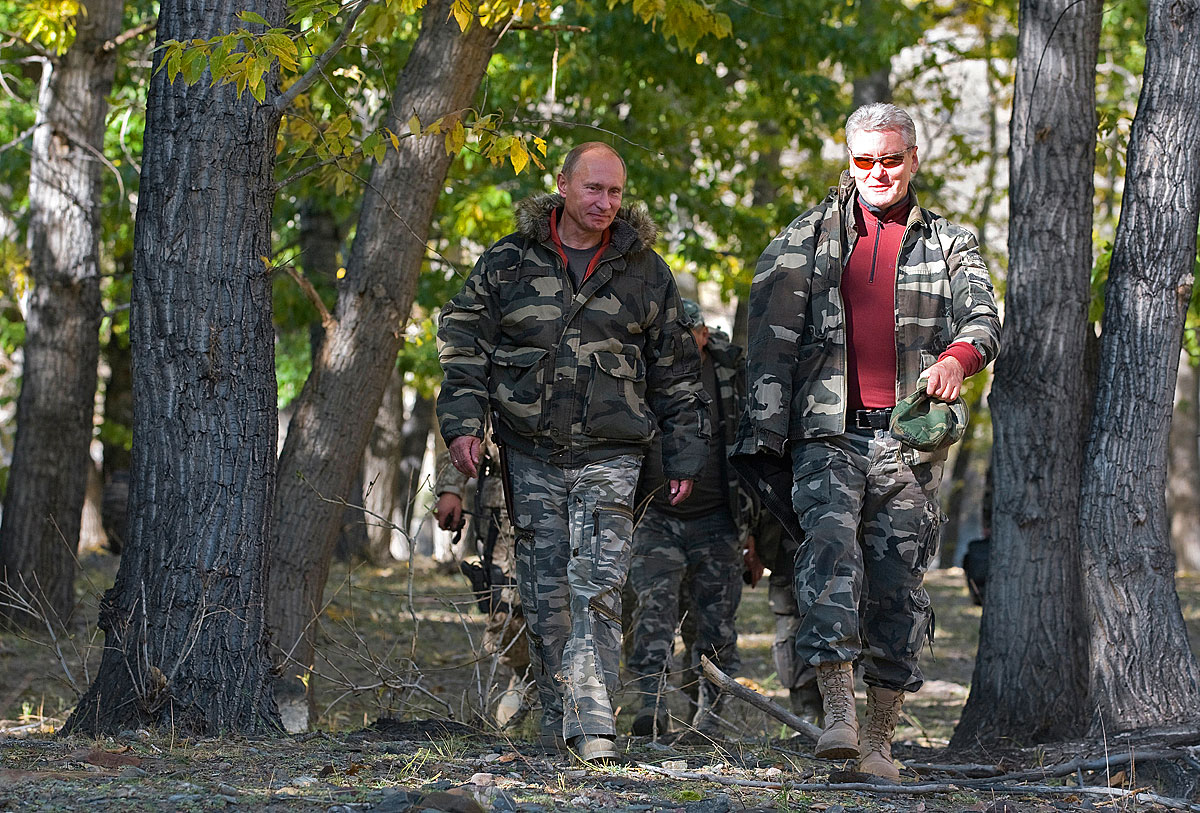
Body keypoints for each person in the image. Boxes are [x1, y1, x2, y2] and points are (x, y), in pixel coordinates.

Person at [732, 103, 1001, 781]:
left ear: (913, 159)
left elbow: (983, 316)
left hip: (911, 440)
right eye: (864, 160)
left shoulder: (948, 242)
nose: (878, 172)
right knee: (827, 555)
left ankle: (882, 736)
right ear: (847, 161)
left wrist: (959, 358)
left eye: (891, 158)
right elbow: (760, 340)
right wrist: (762, 440)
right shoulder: (805, 240)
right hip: (826, 432)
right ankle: (838, 716)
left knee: (897, 586)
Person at [437, 142, 707, 763]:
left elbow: (676, 373)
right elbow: (464, 349)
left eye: (615, 192)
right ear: (563, 186)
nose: (606, 203)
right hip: (529, 452)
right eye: (594, 189)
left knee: (600, 584)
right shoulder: (508, 262)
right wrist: (462, 427)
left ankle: (594, 728)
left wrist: (684, 458)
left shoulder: (644, 270)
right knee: (544, 589)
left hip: (612, 454)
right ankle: (555, 721)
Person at [625, 300, 753, 739]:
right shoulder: (643, 373)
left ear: (703, 335)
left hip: (719, 519)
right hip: (656, 515)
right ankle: (650, 705)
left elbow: (756, 450)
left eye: (688, 333)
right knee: (652, 610)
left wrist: (753, 532)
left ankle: (708, 717)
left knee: (715, 621)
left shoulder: (734, 374)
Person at [432, 430, 531, 725]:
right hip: (505, 509)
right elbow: (468, 427)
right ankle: (523, 675)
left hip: (575, 496)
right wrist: (451, 489)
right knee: (506, 607)